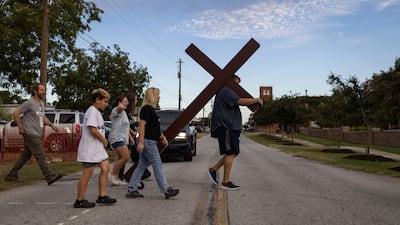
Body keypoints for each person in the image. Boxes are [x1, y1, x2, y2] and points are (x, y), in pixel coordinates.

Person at [207, 75, 264, 190]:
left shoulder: (227, 91)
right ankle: (225, 182)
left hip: (230, 127)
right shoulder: (226, 90)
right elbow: (241, 101)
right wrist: (257, 100)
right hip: (226, 127)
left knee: (234, 152)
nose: (237, 86)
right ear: (229, 82)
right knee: (231, 153)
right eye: (236, 83)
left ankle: (213, 169)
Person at [4, 83, 63, 185]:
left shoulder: (41, 104)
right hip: (30, 133)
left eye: (44, 90)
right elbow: (16, 113)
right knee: (40, 154)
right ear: (35, 91)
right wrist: (21, 127)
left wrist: (51, 125)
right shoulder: (29, 103)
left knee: (25, 156)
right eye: (41, 90)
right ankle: (48, 176)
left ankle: (12, 175)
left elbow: (42, 117)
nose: (43, 92)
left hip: (36, 133)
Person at [126, 87, 179, 199]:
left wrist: (163, 137)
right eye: (157, 95)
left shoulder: (151, 110)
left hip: (150, 141)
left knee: (142, 165)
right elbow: (142, 125)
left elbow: (154, 128)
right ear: (152, 96)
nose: (159, 97)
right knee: (157, 164)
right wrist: (141, 142)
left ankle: (132, 188)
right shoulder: (146, 109)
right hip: (148, 142)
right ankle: (166, 190)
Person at [74, 88, 117, 208]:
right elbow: (92, 129)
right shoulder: (92, 111)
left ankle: (102, 196)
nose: (106, 104)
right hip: (90, 148)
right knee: (88, 172)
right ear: (97, 100)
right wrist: (104, 140)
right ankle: (79, 200)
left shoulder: (97, 112)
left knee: (105, 167)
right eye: (105, 101)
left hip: (98, 149)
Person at [108, 95, 131, 186]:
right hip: (117, 137)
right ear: (119, 102)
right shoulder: (115, 110)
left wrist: (131, 139)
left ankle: (116, 179)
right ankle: (112, 174)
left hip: (123, 137)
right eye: (125, 101)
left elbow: (126, 127)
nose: (127, 103)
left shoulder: (124, 113)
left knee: (118, 158)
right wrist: (120, 105)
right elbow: (119, 109)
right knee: (126, 157)